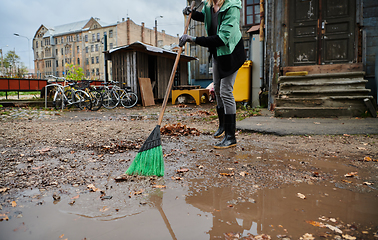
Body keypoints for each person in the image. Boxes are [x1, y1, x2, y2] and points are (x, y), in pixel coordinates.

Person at [180, 0, 245, 149]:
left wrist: (193, 39)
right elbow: (207, 17)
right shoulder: (209, 6)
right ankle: (223, 126)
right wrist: (193, 14)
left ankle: (231, 137)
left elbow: (222, 38)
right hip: (217, 54)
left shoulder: (232, 7)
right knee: (216, 89)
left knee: (225, 91)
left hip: (231, 53)